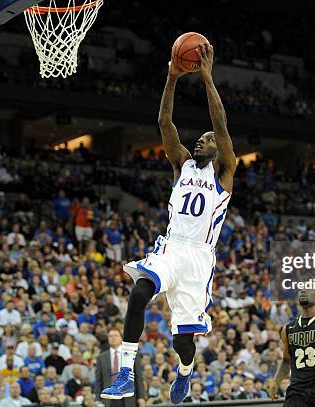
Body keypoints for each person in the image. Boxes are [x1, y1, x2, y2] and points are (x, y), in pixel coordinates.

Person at [101, 43, 237, 405]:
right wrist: (172, 78)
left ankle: (185, 372)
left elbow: (221, 125)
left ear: (219, 149)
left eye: (208, 140)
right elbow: (165, 122)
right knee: (139, 292)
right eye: (202, 137)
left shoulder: (224, 172)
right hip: (172, 245)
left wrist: (207, 78)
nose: (202, 139)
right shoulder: (181, 164)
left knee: (182, 342)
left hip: (198, 258)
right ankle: (126, 373)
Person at [95, 329, 145, 407]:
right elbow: (98, 380)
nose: (113, 338)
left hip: (128, 397)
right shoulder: (101, 357)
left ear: (121, 338)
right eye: (110, 336)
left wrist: (141, 397)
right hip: (108, 398)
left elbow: (138, 377)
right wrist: (97, 399)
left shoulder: (131, 354)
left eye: (115, 335)